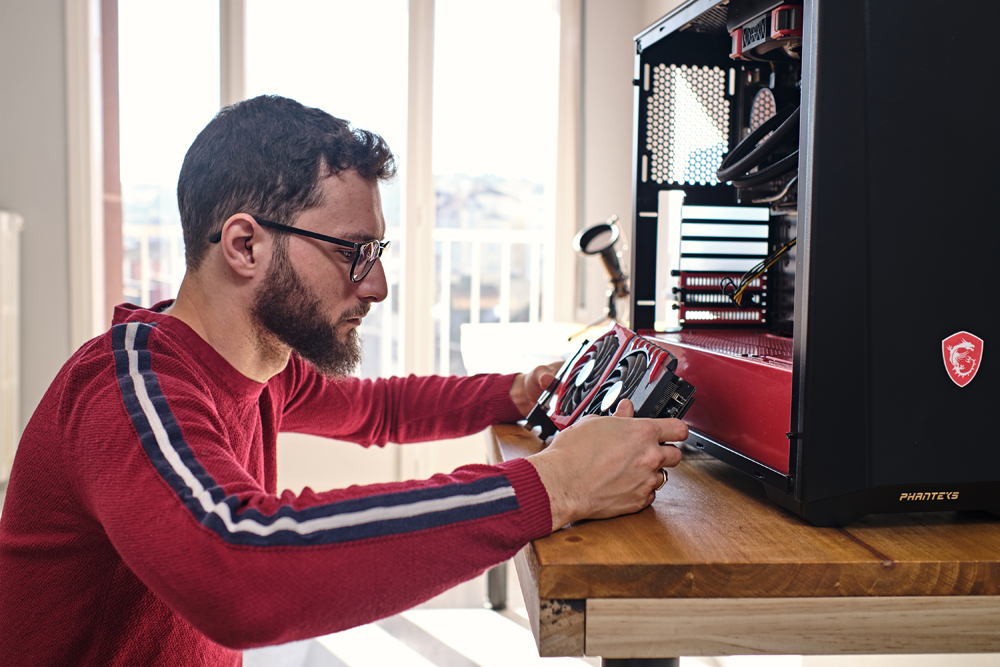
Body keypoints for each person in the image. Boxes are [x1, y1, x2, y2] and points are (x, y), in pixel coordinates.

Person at [0, 95, 686, 666]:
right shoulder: (127, 390)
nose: (378, 285)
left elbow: (377, 410)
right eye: (354, 253)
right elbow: (242, 567)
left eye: (376, 252)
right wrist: (554, 486)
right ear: (245, 246)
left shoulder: (259, 363)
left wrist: (513, 392)